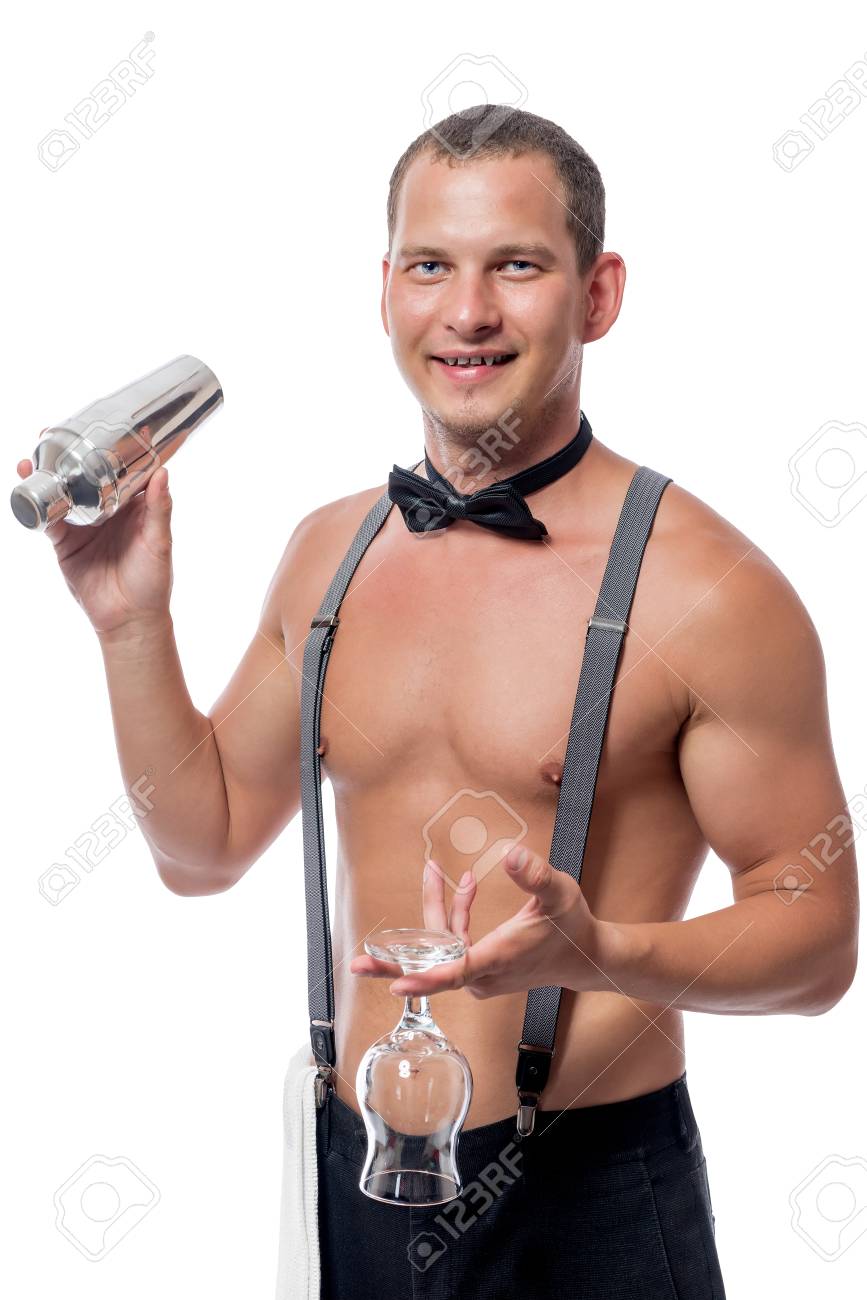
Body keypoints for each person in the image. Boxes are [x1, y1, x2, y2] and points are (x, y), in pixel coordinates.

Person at [20, 105, 858, 1298]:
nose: (467, 312)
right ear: (385, 290)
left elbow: (819, 942)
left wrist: (606, 953)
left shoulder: (709, 590)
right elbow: (202, 847)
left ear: (599, 294)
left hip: (594, 1203)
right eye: (430, 266)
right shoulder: (330, 554)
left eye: (516, 265)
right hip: (359, 1179)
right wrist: (129, 623)